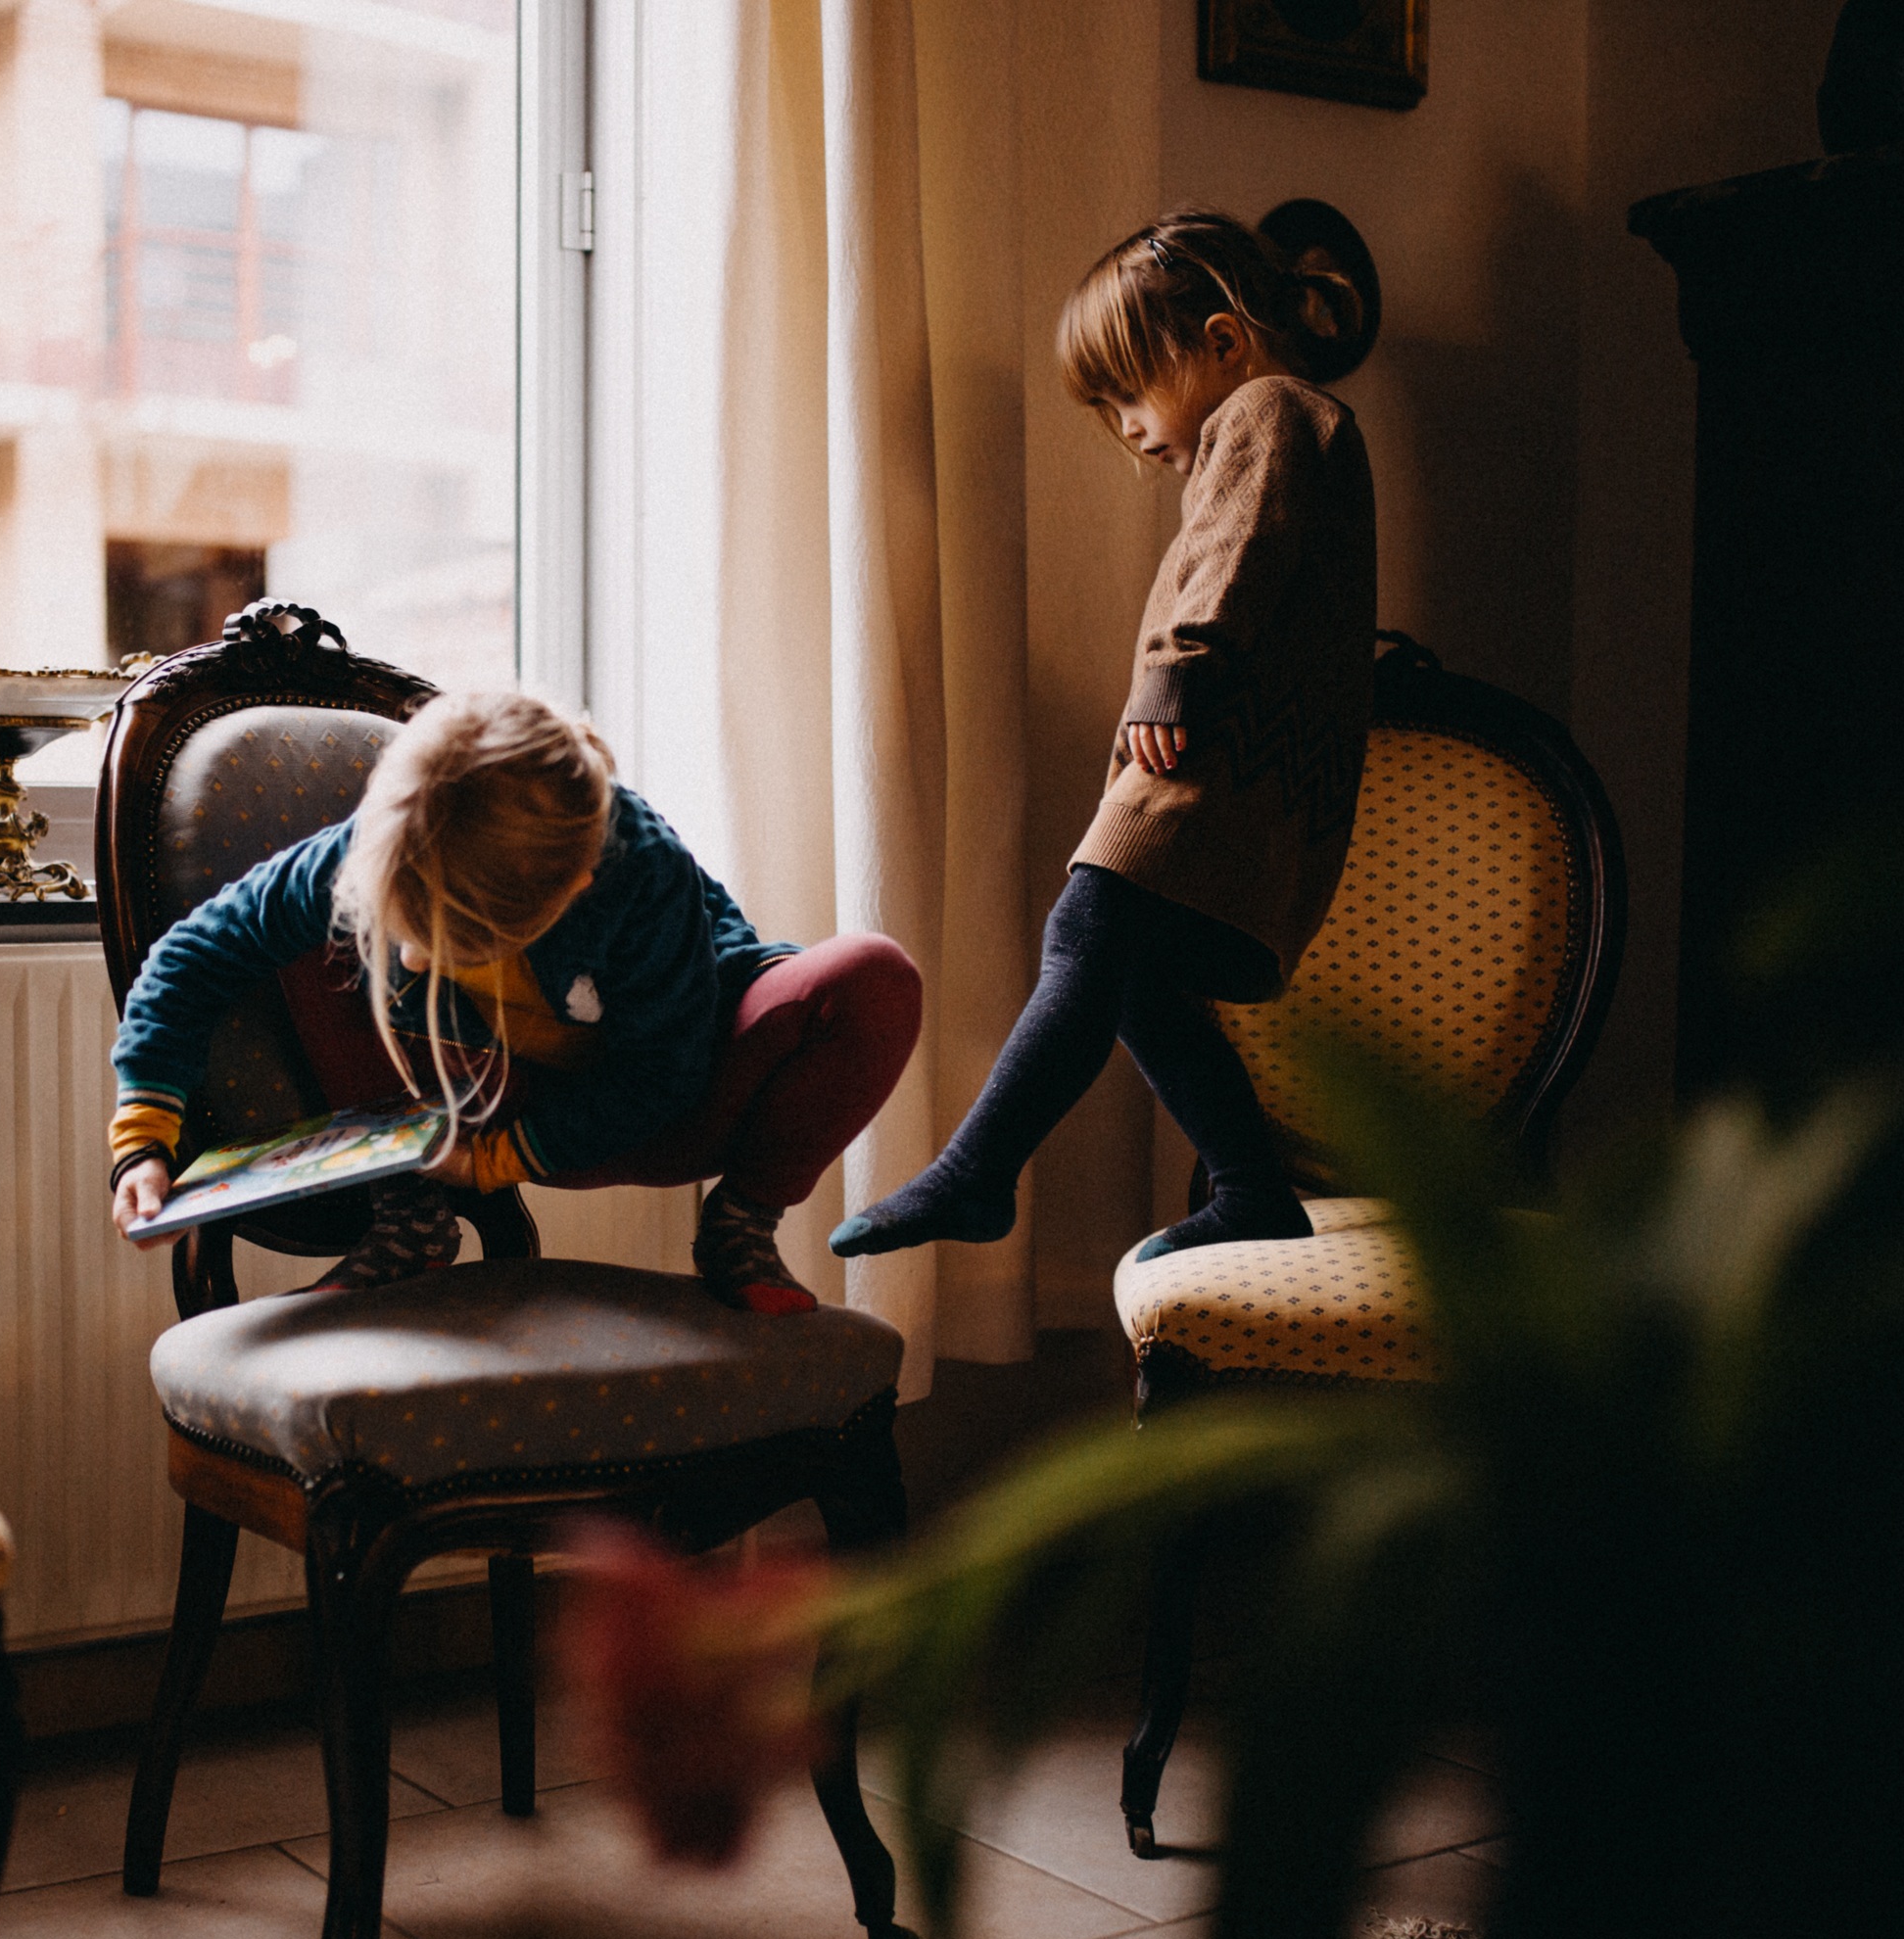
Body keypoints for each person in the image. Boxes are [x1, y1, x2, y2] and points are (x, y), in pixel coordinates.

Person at [833, 209, 1376, 1265]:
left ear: (1222, 341)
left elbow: (1235, 556)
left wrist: (1172, 682)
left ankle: (977, 1172)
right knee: (1130, 973)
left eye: (1129, 391)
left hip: (1227, 764)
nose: (1126, 425)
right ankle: (1254, 1185)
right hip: (1246, 772)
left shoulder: (1269, 408)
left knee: (1087, 928)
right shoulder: (1280, 423)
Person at [108, 687, 922, 1313]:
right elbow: (195, 952)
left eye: (453, 939)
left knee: (873, 977)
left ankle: (742, 1223)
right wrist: (145, 1137)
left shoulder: (637, 869)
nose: (418, 954)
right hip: (470, 1100)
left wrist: (493, 1162)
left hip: (669, 1099)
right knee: (312, 934)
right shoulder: (367, 848)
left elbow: (661, 1077)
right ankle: (411, 1217)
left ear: (576, 885)